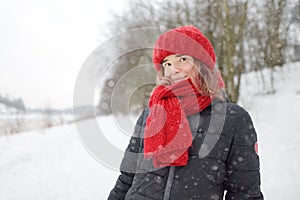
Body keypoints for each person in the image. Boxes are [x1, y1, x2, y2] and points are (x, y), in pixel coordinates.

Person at [108, 25, 263, 200]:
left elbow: (245, 193)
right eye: (167, 63)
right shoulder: (151, 112)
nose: (174, 69)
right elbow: (127, 176)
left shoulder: (233, 119)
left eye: (182, 59)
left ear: (202, 64)